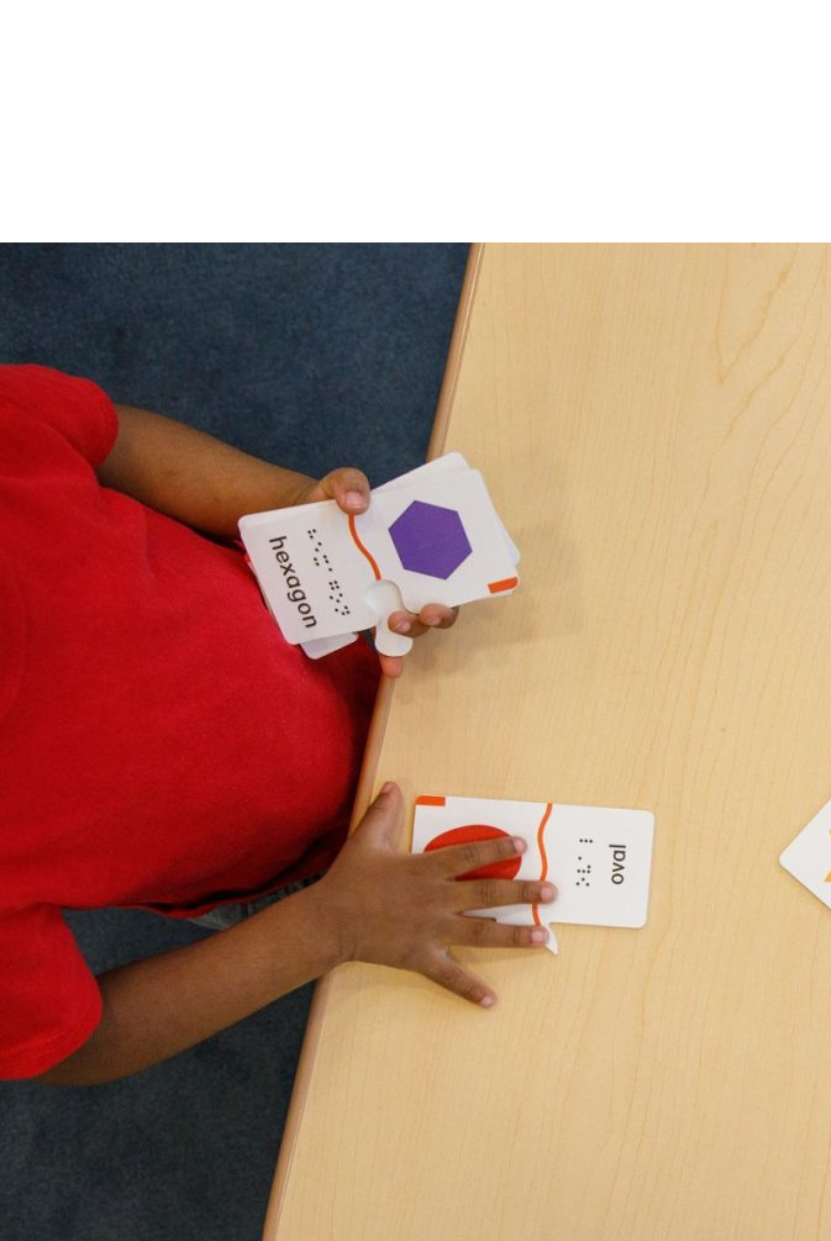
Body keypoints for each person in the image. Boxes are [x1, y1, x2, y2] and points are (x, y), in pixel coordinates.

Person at [0, 364, 553, 1087]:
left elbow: (105, 438)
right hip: (308, 879)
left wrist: (292, 509)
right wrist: (331, 927)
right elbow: (79, 1044)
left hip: (372, 649)